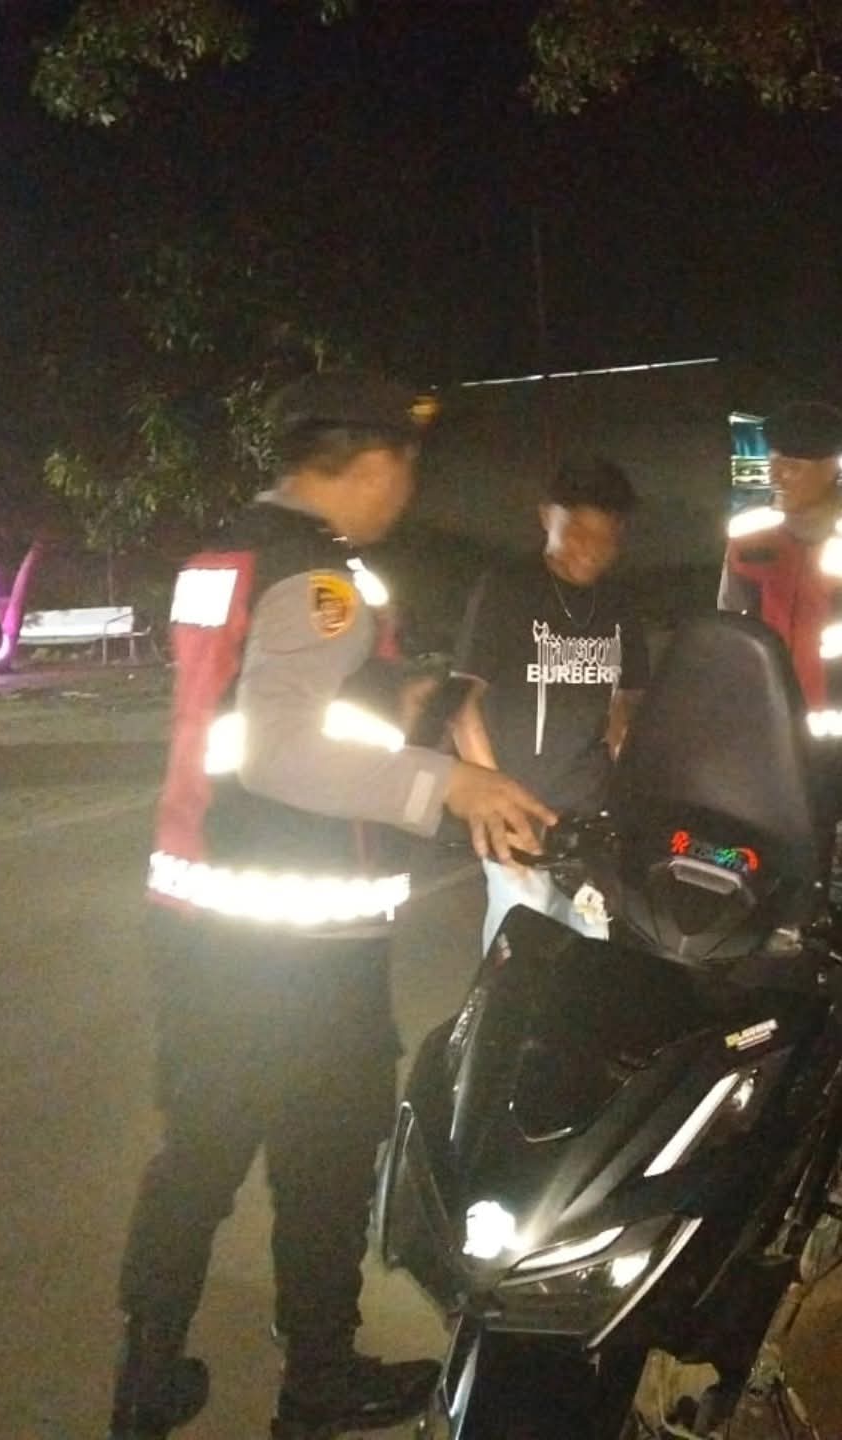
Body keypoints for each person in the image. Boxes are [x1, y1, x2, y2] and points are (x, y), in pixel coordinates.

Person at [109, 371, 556, 1440]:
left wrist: (408, 699)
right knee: (325, 1163)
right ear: (373, 463)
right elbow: (282, 750)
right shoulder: (323, 582)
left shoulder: (223, 558)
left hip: (202, 915)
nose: (407, 489)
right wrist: (447, 784)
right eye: (405, 466)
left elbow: (247, 704)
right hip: (301, 937)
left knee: (198, 1158)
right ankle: (318, 1381)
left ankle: (147, 1375)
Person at [451, 456, 648, 955]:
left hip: (591, 821)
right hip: (519, 813)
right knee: (521, 954)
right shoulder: (507, 589)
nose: (591, 550)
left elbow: (627, 706)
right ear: (546, 517)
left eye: (606, 537)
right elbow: (461, 705)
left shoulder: (621, 602)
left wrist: (631, 797)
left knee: (591, 953)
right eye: (577, 532)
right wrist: (495, 802)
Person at [717, 401, 842, 834]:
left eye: (792, 466)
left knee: (839, 861)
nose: (777, 475)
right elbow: (726, 646)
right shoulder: (747, 535)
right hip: (765, 745)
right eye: (773, 462)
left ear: (831, 468)